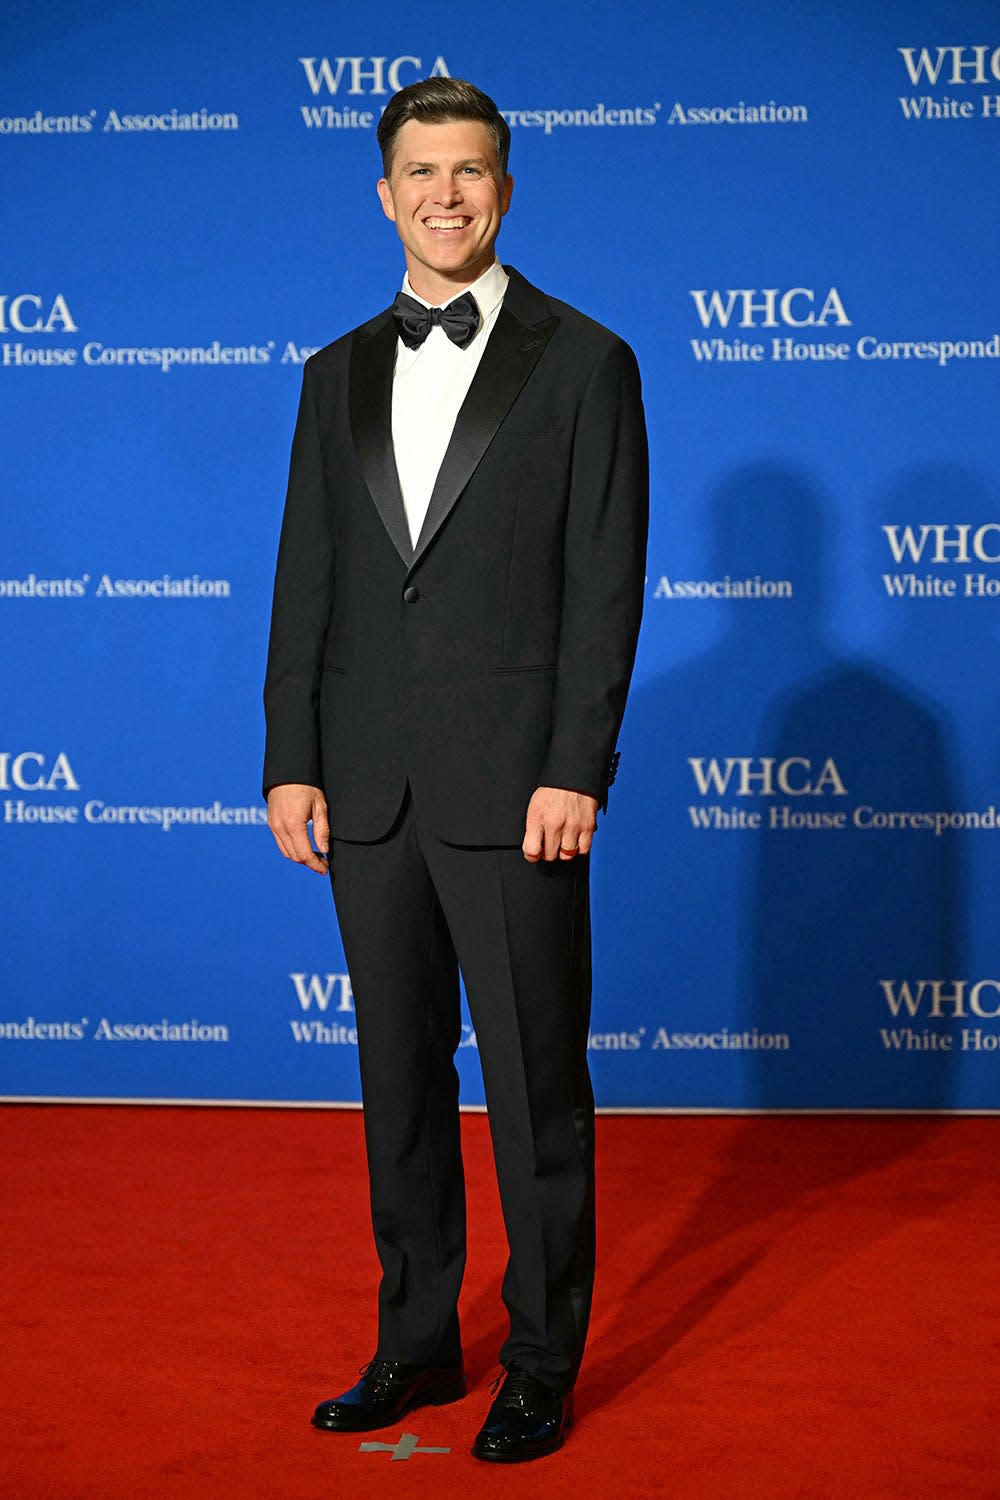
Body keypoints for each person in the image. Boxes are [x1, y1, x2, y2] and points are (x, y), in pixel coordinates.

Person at [263, 76, 648, 1464]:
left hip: (518, 794)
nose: (446, 194)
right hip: (367, 790)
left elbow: (606, 586)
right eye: (421, 172)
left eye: (471, 171)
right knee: (399, 1082)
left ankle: (541, 1362)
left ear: (506, 185)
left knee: (540, 1090)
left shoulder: (588, 361)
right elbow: (307, 578)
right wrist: (290, 758)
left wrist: (577, 767)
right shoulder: (334, 373)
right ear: (385, 192)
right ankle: (418, 1344)